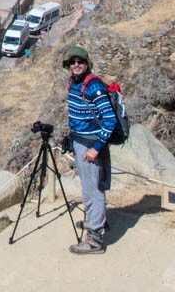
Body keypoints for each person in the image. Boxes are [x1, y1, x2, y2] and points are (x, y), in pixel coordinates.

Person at [61, 45, 117, 255]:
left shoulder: (93, 87)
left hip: (90, 144)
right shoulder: (75, 83)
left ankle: (94, 239)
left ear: (87, 64)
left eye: (80, 62)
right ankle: (96, 221)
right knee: (89, 185)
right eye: (72, 62)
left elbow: (109, 120)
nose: (76, 65)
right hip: (80, 140)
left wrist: (96, 148)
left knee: (92, 189)